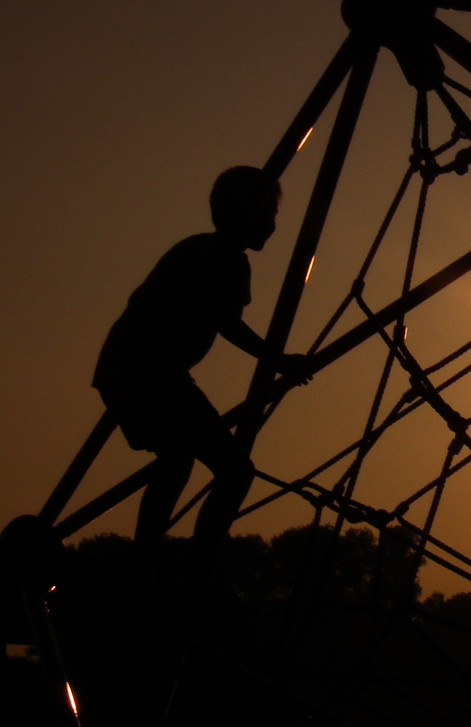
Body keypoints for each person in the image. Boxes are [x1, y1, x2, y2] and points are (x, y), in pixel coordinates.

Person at [93, 166, 311, 567]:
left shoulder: (214, 254)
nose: (273, 225)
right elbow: (225, 322)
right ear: (247, 214)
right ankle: (148, 558)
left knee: (234, 471)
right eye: (270, 215)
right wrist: (280, 362)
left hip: (165, 376)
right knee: (179, 458)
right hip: (137, 371)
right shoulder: (215, 256)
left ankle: (196, 560)